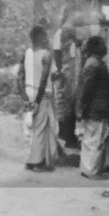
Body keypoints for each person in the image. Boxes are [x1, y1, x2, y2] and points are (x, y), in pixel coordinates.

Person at [76, 35, 109, 179]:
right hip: (97, 108)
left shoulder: (92, 63)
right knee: (95, 140)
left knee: (90, 139)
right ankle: (91, 171)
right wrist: (82, 108)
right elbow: (87, 89)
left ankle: (87, 169)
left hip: (95, 107)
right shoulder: (95, 64)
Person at [23, 26, 61, 172]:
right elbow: (46, 78)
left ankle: (32, 158)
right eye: (45, 36)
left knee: (30, 127)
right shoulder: (46, 54)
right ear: (39, 38)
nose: (47, 39)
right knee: (41, 127)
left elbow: (21, 75)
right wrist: (38, 101)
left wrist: (25, 96)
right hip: (42, 94)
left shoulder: (28, 54)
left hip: (29, 92)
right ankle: (36, 162)